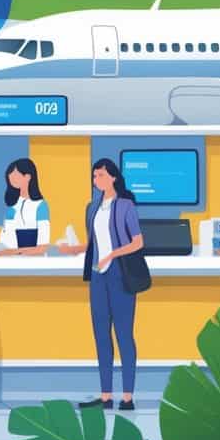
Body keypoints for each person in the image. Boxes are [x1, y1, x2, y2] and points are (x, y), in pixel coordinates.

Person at [58, 158, 144, 411]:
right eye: (94, 177)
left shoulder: (126, 206)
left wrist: (113, 255)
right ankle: (106, 395)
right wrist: (73, 249)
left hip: (120, 276)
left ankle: (127, 396)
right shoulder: (92, 207)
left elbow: (138, 242)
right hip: (97, 278)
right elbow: (93, 244)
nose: (97, 181)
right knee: (101, 335)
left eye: (101, 176)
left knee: (124, 335)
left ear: (114, 177)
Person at [0, 158, 51, 256]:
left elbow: (42, 247)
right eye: (10, 174)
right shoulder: (12, 206)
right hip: (14, 261)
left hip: (36, 262)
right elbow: (7, 240)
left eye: (14, 174)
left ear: (28, 176)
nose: (10, 177)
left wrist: (14, 252)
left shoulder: (40, 206)